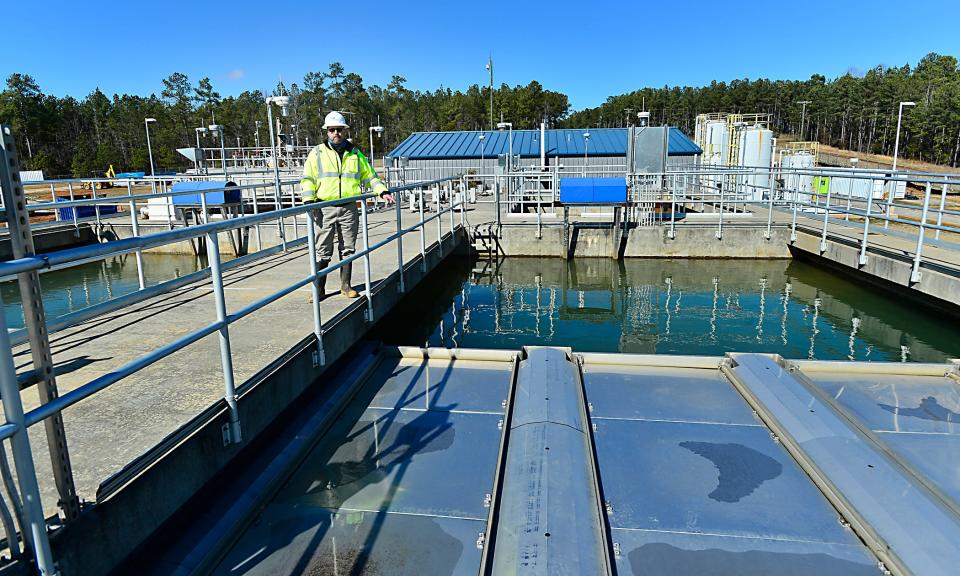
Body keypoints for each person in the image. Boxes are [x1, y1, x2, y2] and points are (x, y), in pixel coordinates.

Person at [300, 111, 393, 298]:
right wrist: (309, 202)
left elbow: (369, 177)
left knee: (348, 248)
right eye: (332, 130)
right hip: (323, 207)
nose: (336, 133)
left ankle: (346, 286)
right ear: (327, 132)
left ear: (344, 131)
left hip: (349, 207)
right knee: (323, 250)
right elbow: (308, 179)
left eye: (339, 130)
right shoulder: (317, 153)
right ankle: (319, 290)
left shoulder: (355, 153)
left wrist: (382, 191)